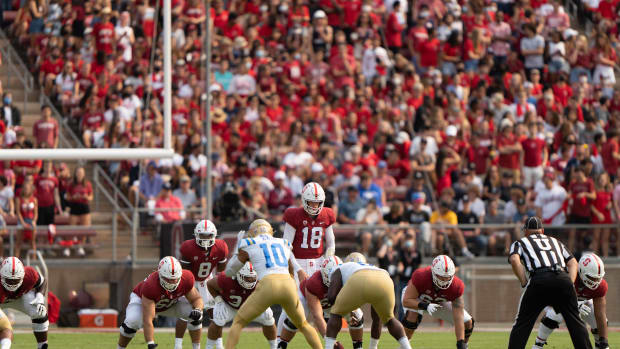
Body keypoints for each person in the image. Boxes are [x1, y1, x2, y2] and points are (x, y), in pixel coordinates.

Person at [223, 219, 322, 349]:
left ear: (252, 232)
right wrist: (290, 283)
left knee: (238, 322)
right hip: (288, 284)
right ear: (270, 231)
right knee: (303, 324)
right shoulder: (283, 242)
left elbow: (230, 272)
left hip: (267, 284)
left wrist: (237, 248)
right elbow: (290, 266)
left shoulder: (249, 242)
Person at [507, 216, 592, 349]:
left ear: (526, 231)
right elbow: (573, 262)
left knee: (523, 324)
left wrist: (524, 281)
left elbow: (514, 260)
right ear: (542, 230)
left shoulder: (520, 242)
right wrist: (569, 283)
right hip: (562, 277)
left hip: (539, 279)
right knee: (575, 322)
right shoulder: (555, 241)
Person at [324, 252, 412, 349]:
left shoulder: (339, 268)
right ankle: (405, 347)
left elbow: (331, 298)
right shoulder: (370, 266)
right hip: (385, 278)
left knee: (336, 314)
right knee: (389, 319)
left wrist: (344, 311)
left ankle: (328, 347)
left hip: (360, 279)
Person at [117, 256, 204, 349]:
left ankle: (197, 347)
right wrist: (150, 342)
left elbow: (196, 299)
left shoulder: (186, 279)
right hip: (142, 301)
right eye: (168, 279)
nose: (172, 282)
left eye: (175, 279)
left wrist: (198, 309)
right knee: (132, 321)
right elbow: (148, 320)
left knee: (196, 314)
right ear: (160, 275)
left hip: (170, 303)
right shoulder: (151, 286)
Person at [278, 256, 364, 349]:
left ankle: (358, 347)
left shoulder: (346, 278)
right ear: (325, 274)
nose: (336, 279)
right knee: (295, 319)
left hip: (330, 301)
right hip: (307, 297)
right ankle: (281, 345)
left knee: (356, 315)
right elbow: (318, 317)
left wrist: (351, 310)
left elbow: (351, 300)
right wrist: (331, 342)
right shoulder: (314, 283)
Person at [532, 253, 609, 349]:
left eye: (598, 278)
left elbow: (600, 314)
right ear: (580, 271)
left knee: (596, 316)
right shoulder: (567, 275)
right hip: (558, 303)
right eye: (592, 278)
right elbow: (551, 301)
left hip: (582, 305)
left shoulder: (600, 286)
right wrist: (574, 304)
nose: (596, 281)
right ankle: (538, 344)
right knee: (554, 314)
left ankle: (599, 345)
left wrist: (604, 342)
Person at [174, 220, 229, 349]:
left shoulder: (221, 247)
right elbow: (185, 272)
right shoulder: (188, 248)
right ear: (196, 235)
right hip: (189, 280)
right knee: (184, 314)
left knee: (216, 314)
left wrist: (218, 287)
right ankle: (178, 345)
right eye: (203, 235)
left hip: (206, 279)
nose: (205, 238)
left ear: (214, 235)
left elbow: (221, 272)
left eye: (208, 235)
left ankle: (219, 344)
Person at [401, 255, 474, 349]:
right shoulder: (421, 275)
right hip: (417, 299)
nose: (444, 280)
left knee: (467, 322)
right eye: (441, 277)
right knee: (412, 317)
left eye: (447, 277)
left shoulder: (457, 286)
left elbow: (458, 317)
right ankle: (404, 347)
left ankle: (465, 346)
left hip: (439, 302)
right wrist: (426, 306)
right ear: (433, 272)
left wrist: (461, 343)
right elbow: (406, 301)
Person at [206, 263, 277, 349]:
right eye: (247, 278)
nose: (251, 280)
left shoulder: (262, 280)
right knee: (218, 319)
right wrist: (218, 301)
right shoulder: (226, 278)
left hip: (252, 307)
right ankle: (208, 347)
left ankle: (275, 347)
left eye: (253, 278)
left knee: (268, 318)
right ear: (238, 275)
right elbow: (210, 284)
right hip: (230, 306)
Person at [0, 257, 48, 349]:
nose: (12, 284)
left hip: (19, 297)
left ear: (23, 275)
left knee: (39, 311)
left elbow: (42, 282)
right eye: (9, 280)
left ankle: (42, 346)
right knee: (5, 327)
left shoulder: (29, 274)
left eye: (16, 280)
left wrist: (39, 298)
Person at [66, 166, 93, 256]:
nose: (80, 174)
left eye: (81, 173)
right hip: (74, 206)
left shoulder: (87, 184)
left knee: (84, 229)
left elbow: (91, 196)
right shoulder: (71, 184)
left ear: (84, 174)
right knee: (71, 228)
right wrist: (73, 197)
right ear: (75, 174)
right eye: (78, 173)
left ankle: (80, 246)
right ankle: (68, 247)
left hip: (84, 206)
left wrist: (86, 197)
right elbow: (68, 197)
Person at [15, 182, 37, 258]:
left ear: (31, 189)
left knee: (32, 242)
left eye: (27, 188)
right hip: (22, 221)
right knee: (18, 242)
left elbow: (36, 213)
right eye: (24, 188)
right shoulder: (18, 199)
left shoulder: (34, 199)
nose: (26, 190)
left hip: (31, 221)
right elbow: (18, 212)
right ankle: (16, 261)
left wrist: (34, 221)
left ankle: (34, 260)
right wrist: (23, 223)